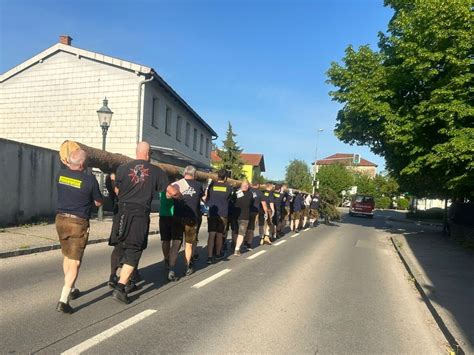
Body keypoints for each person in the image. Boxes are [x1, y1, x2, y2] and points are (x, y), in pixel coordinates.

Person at [109, 142, 179, 304]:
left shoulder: (123, 168)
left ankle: (124, 278)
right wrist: (178, 194)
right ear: (148, 154)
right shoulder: (156, 171)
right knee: (134, 250)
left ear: (136, 152)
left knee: (121, 245)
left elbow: (117, 191)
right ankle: (120, 288)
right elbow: (170, 191)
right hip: (138, 215)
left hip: (121, 213)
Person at [55, 149, 103, 313]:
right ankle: (63, 300)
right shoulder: (90, 181)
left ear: (69, 161)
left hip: (60, 220)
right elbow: (98, 202)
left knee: (68, 256)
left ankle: (72, 288)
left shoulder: (60, 175)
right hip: (78, 222)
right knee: (75, 261)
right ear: (83, 164)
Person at [172, 165, 205, 276]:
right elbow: (202, 198)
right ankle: (187, 267)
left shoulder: (177, 184)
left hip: (177, 217)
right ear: (194, 174)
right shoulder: (199, 185)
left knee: (176, 244)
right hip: (191, 218)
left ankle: (171, 269)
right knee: (189, 244)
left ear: (184, 173)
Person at [205, 170, 233, 264]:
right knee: (220, 234)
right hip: (223, 213)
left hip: (212, 212)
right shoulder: (229, 188)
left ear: (217, 176)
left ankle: (209, 256)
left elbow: (207, 197)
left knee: (211, 234)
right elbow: (229, 199)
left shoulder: (212, 186)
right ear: (225, 177)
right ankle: (217, 253)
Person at [159, 190, 181, 281]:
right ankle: (171, 269)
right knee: (176, 242)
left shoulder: (161, 186)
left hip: (163, 215)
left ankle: (167, 259)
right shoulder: (176, 186)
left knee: (165, 240)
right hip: (175, 215)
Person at [230, 179, 254, 256]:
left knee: (235, 231)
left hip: (235, 215)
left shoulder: (236, 193)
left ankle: (234, 245)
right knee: (241, 233)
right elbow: (251, 203)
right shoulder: (250, 194)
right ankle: (237, 249)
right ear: (247, 186)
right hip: (244, 216)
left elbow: (231, 201)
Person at [245, 182, 267, 250]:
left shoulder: (248, 190)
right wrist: (266, 212)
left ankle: (245, 241)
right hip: (254, 212)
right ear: (258, 185)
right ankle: (249, 244)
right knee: (251, 227)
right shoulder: (260, 193)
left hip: (246, 211)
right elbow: (264, 204)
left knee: (246, 226)